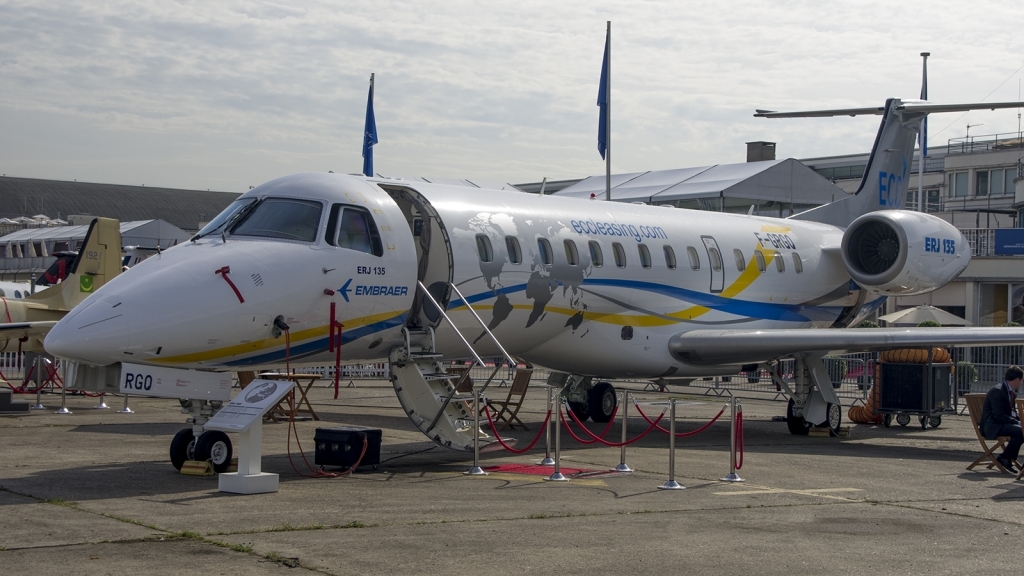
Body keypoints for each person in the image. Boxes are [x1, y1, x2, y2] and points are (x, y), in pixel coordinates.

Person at [981, 365, 1024, 472]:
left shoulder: (1010, 391)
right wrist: (1018, 423)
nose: (1022, 382)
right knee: (1021, 431)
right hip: (993, 426)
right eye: (1022, 380)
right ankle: (1005, 457)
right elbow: (998, 415)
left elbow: (1011, 412)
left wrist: (1020, 421)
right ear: (1017, 379)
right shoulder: (998, 391)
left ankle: (1006, 457)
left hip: (1001, 423)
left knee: (1021, 431)